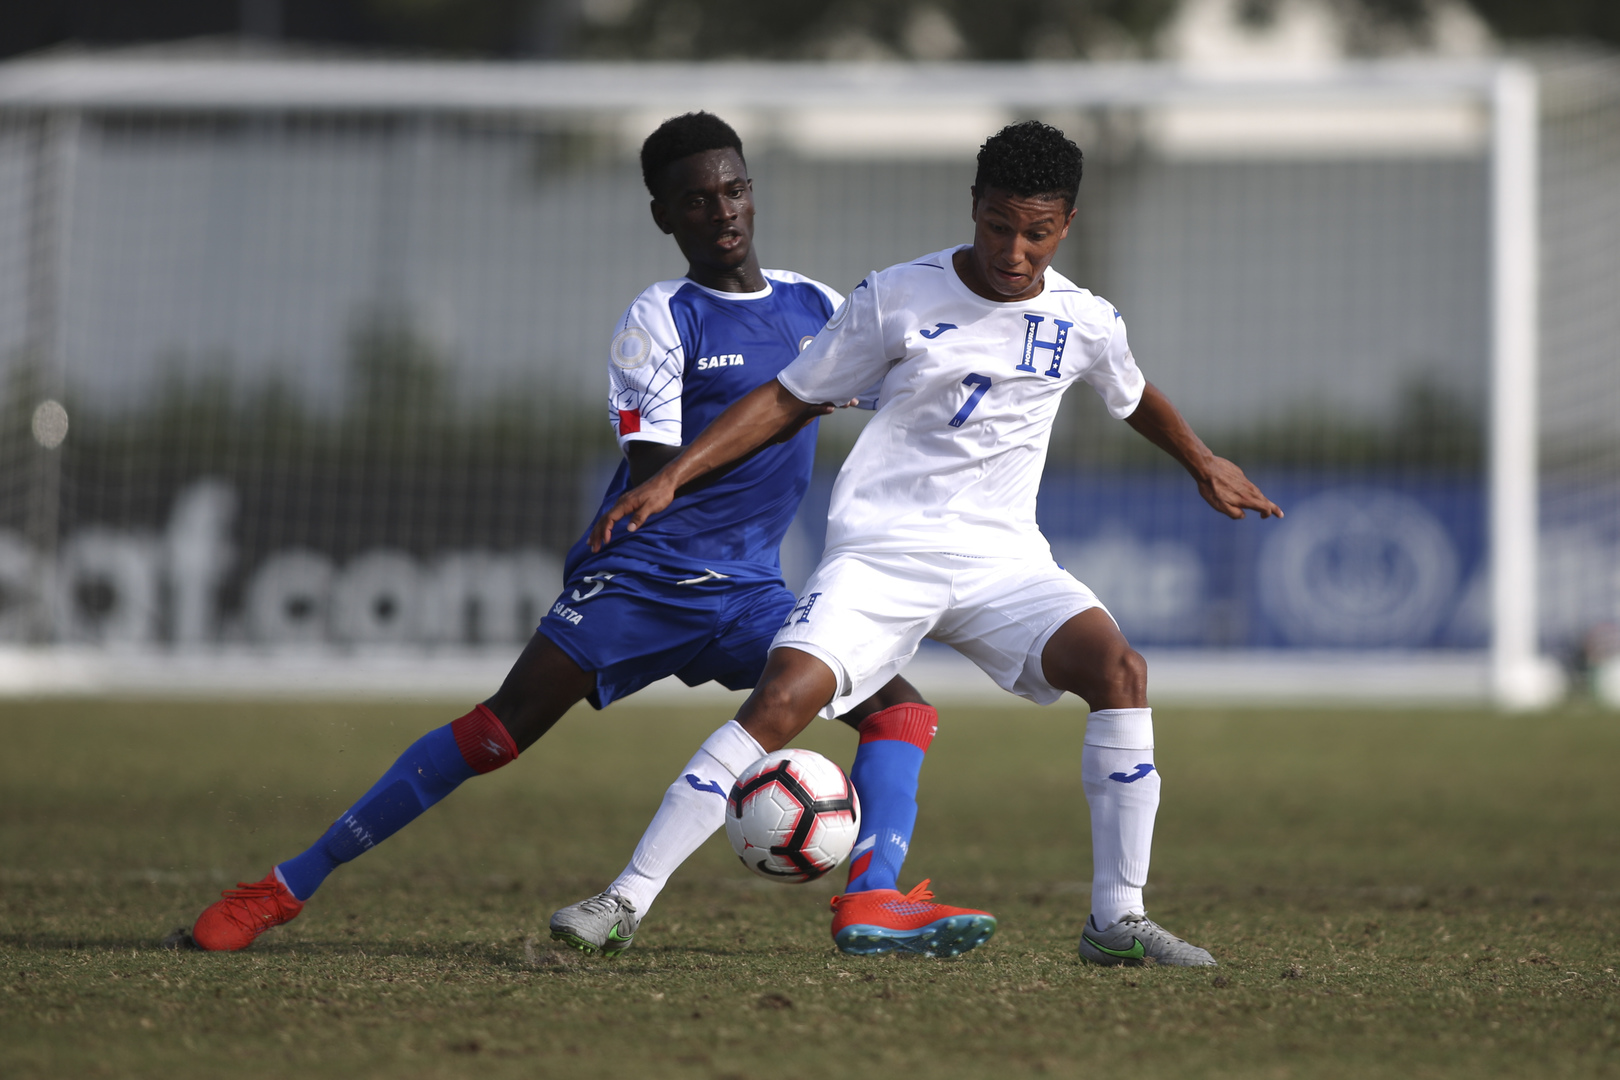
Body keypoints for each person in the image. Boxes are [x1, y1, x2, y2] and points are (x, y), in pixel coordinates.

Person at [184, 112, 995, 960]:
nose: (721, 212)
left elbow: (913, 389)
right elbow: (658, 467)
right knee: (497, 731)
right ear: (665, 217)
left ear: (752, 193)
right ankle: (281, 888)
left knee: (901, 712)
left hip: (754, 596)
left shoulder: (817, 307)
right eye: (696, 199)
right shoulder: (659, 318)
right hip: (644, 578)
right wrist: (795, 397)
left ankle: (871, 902)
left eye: (733, 190)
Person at [590, 120, 1283, 966]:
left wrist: (1203, 462)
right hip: (882, 555)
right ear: (974, 209)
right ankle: (624, 899)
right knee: (780, 702)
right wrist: (671, 475)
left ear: (1065, 225)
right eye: (999, 226)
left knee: (1120, 672)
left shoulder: (1085, 320)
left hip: (1004, 563)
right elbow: (786, 397)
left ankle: (1116, 920)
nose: (1015, 250)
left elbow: (1131, 395)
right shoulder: (897, 297)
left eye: (1036, 232)